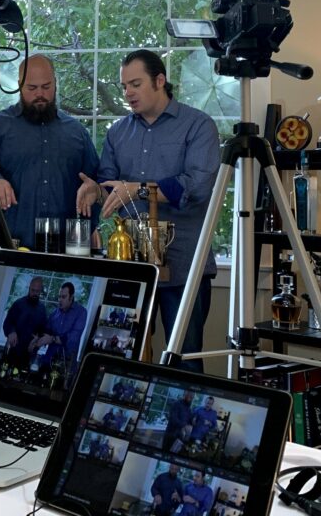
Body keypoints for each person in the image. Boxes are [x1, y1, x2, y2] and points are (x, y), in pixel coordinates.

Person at [76, 49, 219, 372]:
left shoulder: (198, 126)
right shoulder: (117, 133)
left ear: (159, 80)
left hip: (184, 268)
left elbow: (197, 186)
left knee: (184, 361)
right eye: (124, 86)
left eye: (135, 84)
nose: (127, 93)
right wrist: (95, 190)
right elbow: (111, 189)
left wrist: (140, 189)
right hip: (129, 268)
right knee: (122, 358)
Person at [0, 54, 99, 249]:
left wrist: (95, 190)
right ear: (20, 85)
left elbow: (96, 183)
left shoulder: (77, 132)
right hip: (9, 245)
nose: (40, 94)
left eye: (46, 87)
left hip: (67, 250)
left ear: (55, 83)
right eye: (32, 88)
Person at [31, 281, 87, 368]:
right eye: (59, 297)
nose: (60, 300)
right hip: (48, 362)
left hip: (66, 366)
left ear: (71, 297)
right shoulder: (54, 313)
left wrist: (53, 339)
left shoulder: (81, 312)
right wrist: (36, 341)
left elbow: (73, 339)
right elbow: (46, 334)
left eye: (63, 297)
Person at [1, 276, 47, 367]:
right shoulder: (18, 304)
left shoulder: (42, 309)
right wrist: (11, 332)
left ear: (40, 291)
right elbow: (7, 323)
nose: (34, 293)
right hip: (12, 350)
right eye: (32, 290)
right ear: (29, 288)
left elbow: (42, 331)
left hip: (29, 353)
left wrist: (36, 341)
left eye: (37, 291)